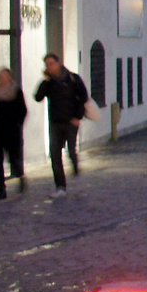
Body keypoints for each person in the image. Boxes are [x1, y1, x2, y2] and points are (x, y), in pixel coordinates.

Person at [33, 52, 88, 196]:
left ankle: (75, 167)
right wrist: (45, 81)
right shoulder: (49, 83)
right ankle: (60, 186)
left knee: (71, 149)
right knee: (55, 154)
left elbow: (83, 97)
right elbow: (38, 97)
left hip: (71, 121)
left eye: (51, 63)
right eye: (47, 64)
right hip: (55, 122)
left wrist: (78, 117)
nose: (49, 67)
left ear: (58, 63)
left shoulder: (73, 79)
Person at [0, 67, 27, 199]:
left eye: (5, 75)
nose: (2, 77)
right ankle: (1, 189)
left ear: (9, 77)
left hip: (12, 129)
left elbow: (23, 110)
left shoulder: (16, 91)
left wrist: (18, 123)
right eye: (0, 75)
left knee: (14, 158)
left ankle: (20, 176)